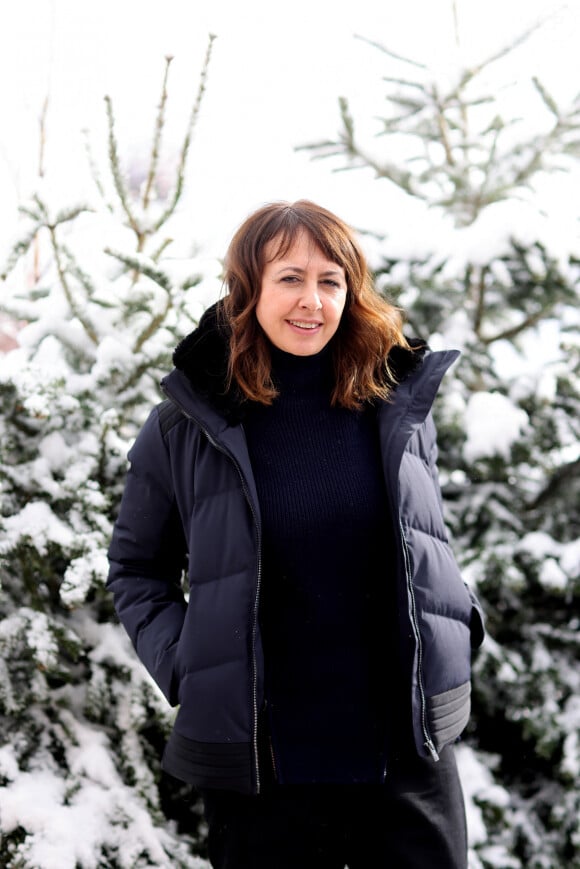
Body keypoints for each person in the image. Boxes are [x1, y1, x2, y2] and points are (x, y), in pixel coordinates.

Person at [107, 199, 485, 869]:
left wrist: (458, 624)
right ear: (248, 288)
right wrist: (190, 665)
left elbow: (427, 539)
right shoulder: (186, 425)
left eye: (330, 280)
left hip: (405, 757)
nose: (311, 299)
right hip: (264, 771)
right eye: (289, 278)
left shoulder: (396, 403)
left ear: (351, 290)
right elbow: (137, 570)